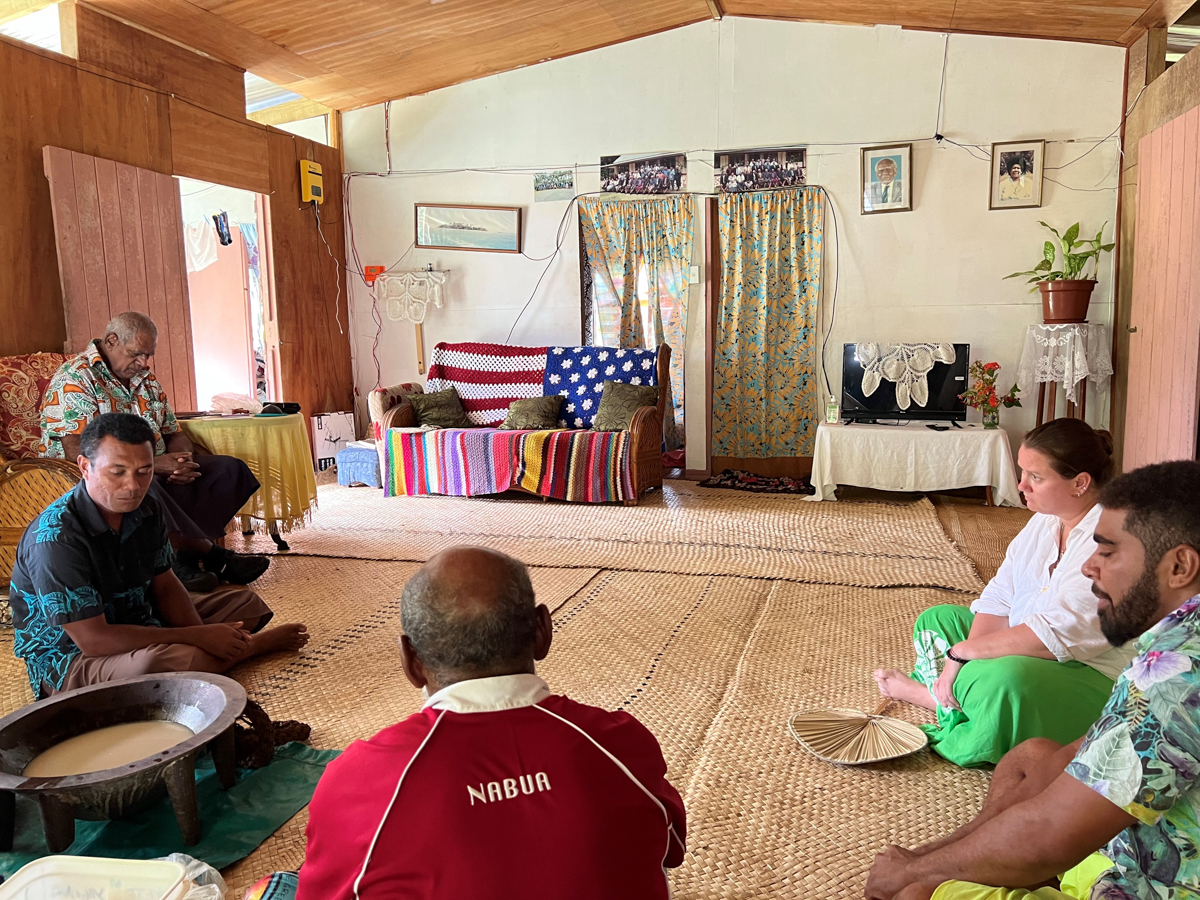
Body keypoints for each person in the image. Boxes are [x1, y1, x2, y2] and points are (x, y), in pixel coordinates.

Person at [865, 459, 1200, 900]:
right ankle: (999, 862)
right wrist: (925, 858)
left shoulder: (1178, 674)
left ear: (1180, 566)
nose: (1089, 567)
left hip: (1150, 882)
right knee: (1030, 757)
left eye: (1108, 552)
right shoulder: (1179, 638)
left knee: (917, 895)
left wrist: (914, 873)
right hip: (1121, 836)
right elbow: (1081, 752)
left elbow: (1048, 833)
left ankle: (1009, 865)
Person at [295, 546, 686, 900]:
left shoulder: (354, 782)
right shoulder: (620, 743)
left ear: (410, 661)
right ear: (542, 631)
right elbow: (670, 852)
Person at [874, 419, 1134, 766]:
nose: (1021, 485)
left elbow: (1059, 633)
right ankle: (960, 697)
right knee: (936, 620)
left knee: (1007, 678)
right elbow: (1000, 595)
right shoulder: (1046, 519)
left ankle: (939, 701)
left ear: (1080, 483)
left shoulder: (1114, 539)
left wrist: (962, 654)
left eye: (1035, 477)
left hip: (1088, 672)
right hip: (1029, 645)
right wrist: (968, 657)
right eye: (1023, 472)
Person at [9, 413, 308, 699]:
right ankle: (250, 648)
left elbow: (165, 585)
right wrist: (199, 637)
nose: (133, 486)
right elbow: (94, 640)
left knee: (247, 604)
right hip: (73, 657)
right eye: (118, 472)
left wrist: (200, 632)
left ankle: (205, 656)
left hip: (139, 619)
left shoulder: (147, 509)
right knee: (151, 664)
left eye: (144, 471)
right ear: (85, 467)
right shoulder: (55, 538)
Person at [40, 311, 268, 590]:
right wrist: (154, 465)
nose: (143, 362)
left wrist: (182, 461)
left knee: (229, 471)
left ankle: (182, 556)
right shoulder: (76, 378)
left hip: (155, 465)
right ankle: (209, 558)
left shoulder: (146, 380)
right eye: (136, 354)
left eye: (147, 355)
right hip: (103, 474)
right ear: (111, 341)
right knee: (144, 485)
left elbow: (174, 431)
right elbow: (75, 449)